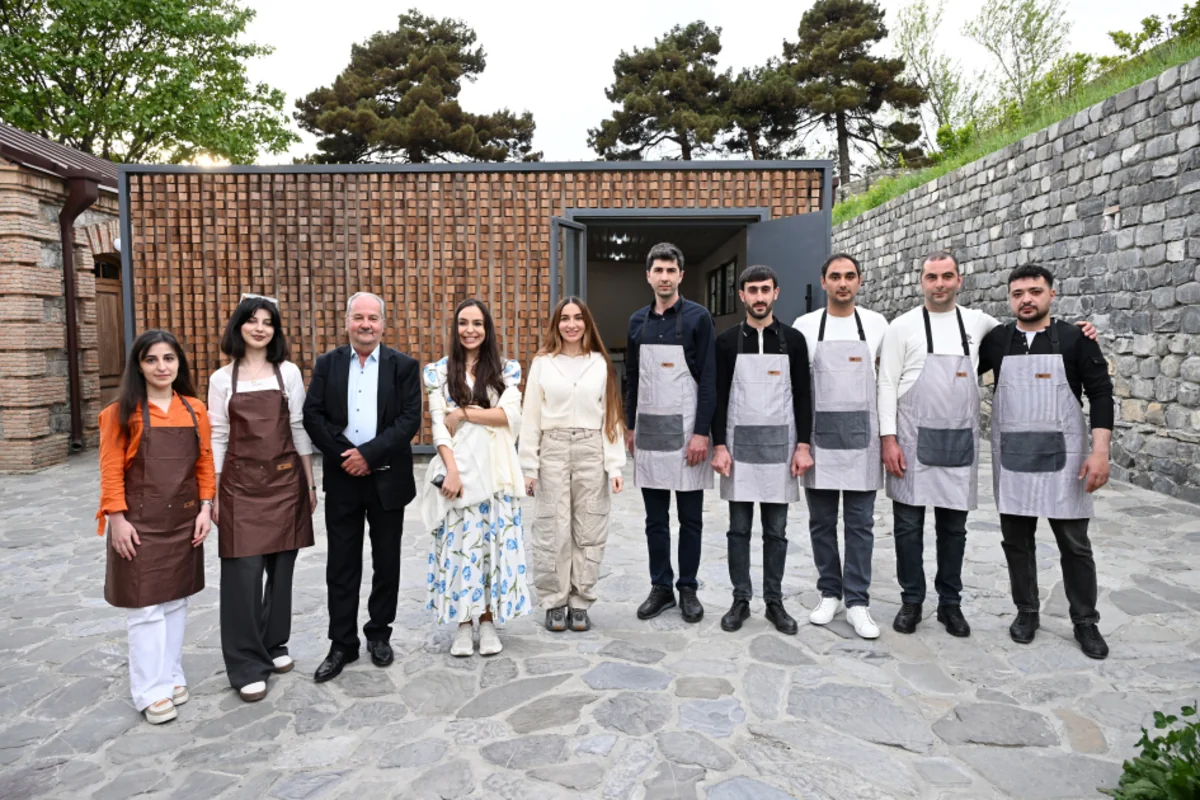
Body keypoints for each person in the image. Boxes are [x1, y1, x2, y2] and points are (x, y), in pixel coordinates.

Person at [879, 252, 1096, 638]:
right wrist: (888, 438)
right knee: (907, 528)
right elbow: (886, 383)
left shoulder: (982, 325)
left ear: (959, 280)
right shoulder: (902, 326)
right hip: (911, 441)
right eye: (932, 277)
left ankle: (950, 604)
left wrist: (1081, 332)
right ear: (922, 281)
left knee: (954, 530)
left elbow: (1028, 333)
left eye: (947, 276)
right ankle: (911, 601)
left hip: (959, 442)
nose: (940, 284)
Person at [978, 265, 1113, 660]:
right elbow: (957, 366)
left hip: (1066, 460)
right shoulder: (997, 341)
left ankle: (1085, 620)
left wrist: (1100, 451)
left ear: (1051, 295)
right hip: (1014, 459)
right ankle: (1027, 611)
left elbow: (1101, 393)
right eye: (1018, 293)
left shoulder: (1076, 338)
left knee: (1075, 545)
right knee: (1016, 543)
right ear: (1010, 298)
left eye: (1035, 291)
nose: (1026, 299)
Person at [303, 292, 422, 683]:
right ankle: (342, 643)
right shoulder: (328, 364)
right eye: (359, 317)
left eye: (373, 318)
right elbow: (313, 415)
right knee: (341, 565)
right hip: (343, 479)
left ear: (383, 324)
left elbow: (409, 420)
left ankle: (379, 634)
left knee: (386, 562)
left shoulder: (404, 366)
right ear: (347, 322)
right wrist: (347, 456)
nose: (366, 324)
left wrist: (367, 455)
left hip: (387, 478)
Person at [96, 330, 214, 724]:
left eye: (168, 358)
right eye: (151, 359)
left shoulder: (195, 409)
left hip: (183, 520)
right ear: (139, 366)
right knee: (144, 607)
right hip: (139, 524)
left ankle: (170, 675)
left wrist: (205, 508)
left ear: (179, 363)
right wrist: (116, 519)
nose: (161, 367)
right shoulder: (119, 413)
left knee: (176, 601)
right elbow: (111, 470)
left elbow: (204, 463)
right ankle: (149, 691)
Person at [208, 294, 316, 702]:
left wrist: (309, 485)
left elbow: (299, 428)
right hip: (239, 488)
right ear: (238, 326)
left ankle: (273, 644)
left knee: (281, 571)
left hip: (285, 484)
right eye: (252, 320)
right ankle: (245, 664)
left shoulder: (288, 373)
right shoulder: (222, 379)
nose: (260, 328)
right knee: (244, 575)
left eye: (268, 322)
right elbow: (218, 437)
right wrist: (214, 494)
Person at [420, 298, 532, 657]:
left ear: (487, 329)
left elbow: (510, 416)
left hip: (496, 475)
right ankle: (463, 625)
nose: (470, 330)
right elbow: (439, 425)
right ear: (455, 328)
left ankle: (487, 621)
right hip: (459, 473)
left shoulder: (506, 370)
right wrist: (451, 471)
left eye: (477, 324)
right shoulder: (438, 372)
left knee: (489, 551)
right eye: (463, 323)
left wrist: (464, 413)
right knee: (460, 550)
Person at [711, 265, 813, 635]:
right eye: (752, 290)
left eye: (765, 290)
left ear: (775, 293)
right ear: (741, 295)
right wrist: (719, 445)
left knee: (776, 531)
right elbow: (718, 397)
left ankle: (774, 601)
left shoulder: (794, 340)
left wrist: (803, 446)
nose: (759, 297)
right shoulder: (725, 342)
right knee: (738, 530)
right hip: (738, 450)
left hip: (780, 450)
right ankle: (740, 599)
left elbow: (803, 395)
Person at [793, 254, 890, 639]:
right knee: (821, 523)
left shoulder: (877, 325)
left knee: (860, 524)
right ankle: (830, 593)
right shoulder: (805, 326)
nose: (843, 283)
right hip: (820, 440)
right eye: (835, 276)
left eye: (849, 276)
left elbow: (888, 381)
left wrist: (888, 436)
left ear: (859, 281)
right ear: (824, 282)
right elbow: (798, 389)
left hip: (862, 440)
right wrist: (800, 443)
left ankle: (858, 602)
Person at [520, 296, 626, 633]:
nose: (571, 324)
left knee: (589, 529)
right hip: (552, 449)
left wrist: (615, 465)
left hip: (591, 450)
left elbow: (611, 415)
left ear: (586, 322)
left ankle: (581, 601)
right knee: (551, 529)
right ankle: (554, 601)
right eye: (564, 318)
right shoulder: (543, 363)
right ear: (556, 324)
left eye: (577, 317)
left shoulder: (599, 363)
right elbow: (530, 416)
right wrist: (529, 466)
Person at [625, 242, 717, 624]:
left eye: (670, 270)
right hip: (649, 433)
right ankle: (661, 587)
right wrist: (630, 426)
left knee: (690, 519)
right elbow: (632, 378)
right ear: (648, 276)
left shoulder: (699, 318)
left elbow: (708, 379)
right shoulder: (637, 322)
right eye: (658, 270)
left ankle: (688, 588)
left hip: (687, 435)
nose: (664, 277)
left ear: (681, 275)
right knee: (655, 520)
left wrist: (701, 433)